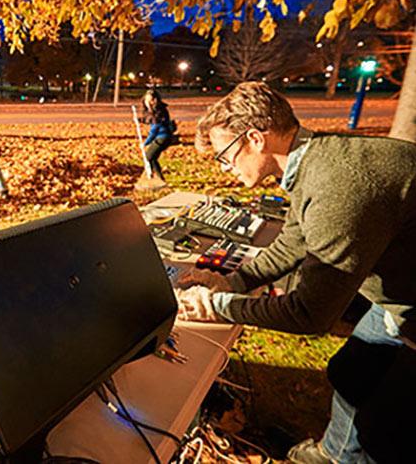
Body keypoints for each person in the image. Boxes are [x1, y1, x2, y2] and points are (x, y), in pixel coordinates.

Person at [176, 81, 416, 464]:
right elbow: (294, 240)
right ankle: (333, 452)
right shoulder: (318, 158)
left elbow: (310, 314)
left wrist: (218, 306)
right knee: (350, 371)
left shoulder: (338, 186)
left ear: (255, 138)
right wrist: (234, 282)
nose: (225, 169)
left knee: (383, 418)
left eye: (225, 156)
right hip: (401, 295)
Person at [140, 89, 175, 180]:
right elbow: (150, 120)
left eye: (150, 100)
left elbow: (155, 129)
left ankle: (157, 177)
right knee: (152, 158)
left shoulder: (159, 111)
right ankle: (158, 177)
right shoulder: (154, 110)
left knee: (149, 156)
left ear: (155, 100)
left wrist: (146, 143)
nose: (148, 102)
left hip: (163, 137)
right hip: (161, 137)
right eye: (147, 100)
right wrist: (140, 120)